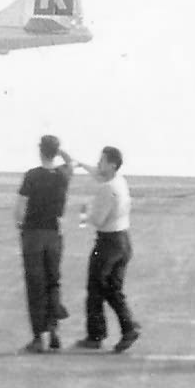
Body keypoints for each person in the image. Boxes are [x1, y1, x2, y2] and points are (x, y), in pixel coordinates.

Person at [73, 146, 141, 353]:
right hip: (123, 241)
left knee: (95, 288)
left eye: (102, 161)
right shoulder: (119, 181)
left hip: (107, 243)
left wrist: (84, 213)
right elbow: (97, 173)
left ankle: (96, 335)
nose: (98, 164)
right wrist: (78, 163)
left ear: (111, 164)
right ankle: (128, 327)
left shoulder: (107, 189)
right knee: (113, 288)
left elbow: (98, 220)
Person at [14, 135, 73, 353]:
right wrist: (61, 152)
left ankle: (38, 337)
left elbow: (20, 207)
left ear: (40, 151)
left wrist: (20, 226)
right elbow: (71, 162)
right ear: (55, 152)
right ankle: (54, 329)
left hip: (33, 235)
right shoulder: (62, 176)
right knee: (52, 281)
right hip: (54, 235)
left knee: (35, 285)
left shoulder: (32, 176)